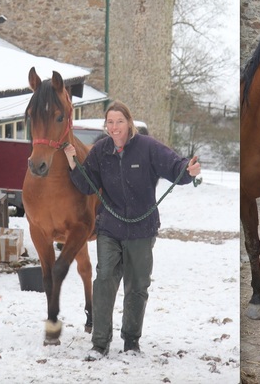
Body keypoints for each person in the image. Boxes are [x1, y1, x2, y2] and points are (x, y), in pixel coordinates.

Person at [63, 101, 201, 361]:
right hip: (110, 228)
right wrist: (72, 162)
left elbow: (175, 166)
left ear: (129, 122)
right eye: (110, 122)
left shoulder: (147, 147)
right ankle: (100, 344)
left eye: (119, 121)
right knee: (104, 281)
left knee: (137, 286)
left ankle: (131, 342)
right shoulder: (101, 151)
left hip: (141, 228)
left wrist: (188, 170)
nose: (114, 127)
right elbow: (87, 184)